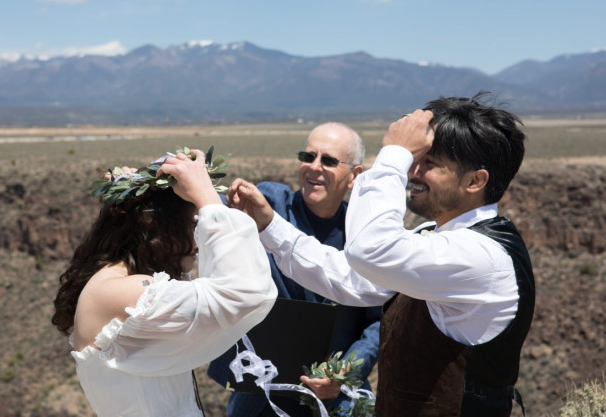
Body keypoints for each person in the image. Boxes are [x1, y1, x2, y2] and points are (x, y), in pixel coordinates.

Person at [229, 93, 535, 416]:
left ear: (475, 181)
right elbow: (353, 278)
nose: (413, 171)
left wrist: (395, 153)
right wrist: (270, 225)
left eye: (429, 163)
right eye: (416, 159)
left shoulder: (482, 257)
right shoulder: (443, 239)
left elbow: (369, 250)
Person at [51, 149, 277, 417]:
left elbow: (212, 288)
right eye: (193, 223)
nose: (197, 241)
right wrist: (208, 200)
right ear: (157, 226)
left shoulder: (120, 282)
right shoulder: (122, 292)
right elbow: (244, 293)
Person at [207, 123, 382, 416]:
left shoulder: (365, 237)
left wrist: (342, 374)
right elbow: (216, 215)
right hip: (261, 394)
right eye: (308, 156)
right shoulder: (271, 205)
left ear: (354, 176)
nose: (314, 167)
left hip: (332, 398)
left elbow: (378, 321)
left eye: (328, 160)